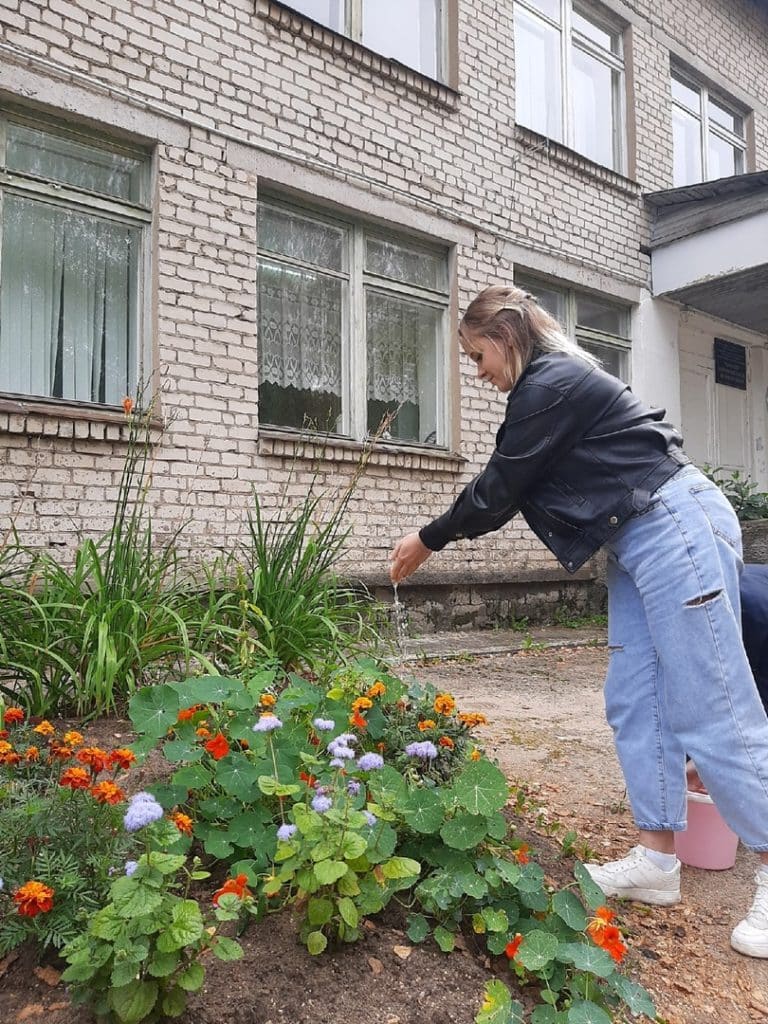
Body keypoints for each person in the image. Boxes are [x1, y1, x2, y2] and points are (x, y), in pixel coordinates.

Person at [389, 284, 768, 959]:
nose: (477, 373)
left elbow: (497, 490)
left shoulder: (551, 382)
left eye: (478, 356)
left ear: (506, 335)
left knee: (712, 704)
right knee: (635, 700)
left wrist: (428, 538)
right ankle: (656, 860)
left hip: (673, 524)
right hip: (633, 541)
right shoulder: (548, 387)